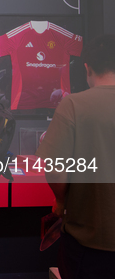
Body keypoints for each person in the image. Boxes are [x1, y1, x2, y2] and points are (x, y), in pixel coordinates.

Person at [36, 34, 115, 278]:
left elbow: (55, 168)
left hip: (89, 241)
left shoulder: (74, 105)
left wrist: (61, 202)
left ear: (87, 68)